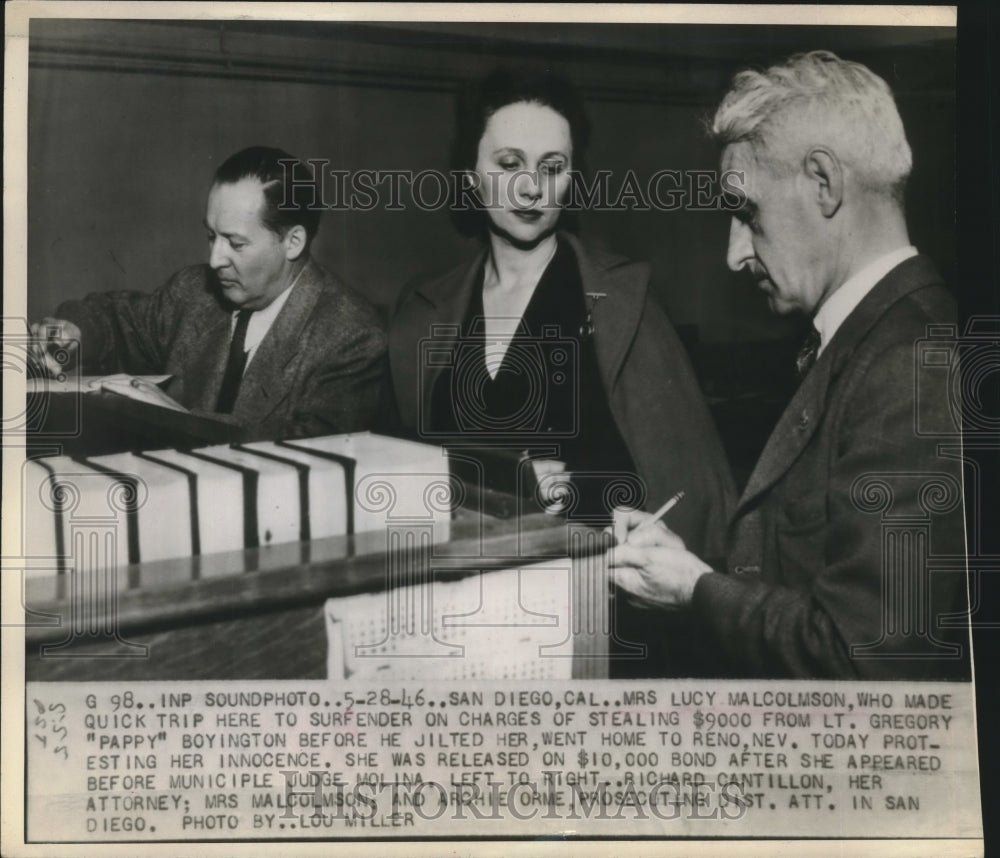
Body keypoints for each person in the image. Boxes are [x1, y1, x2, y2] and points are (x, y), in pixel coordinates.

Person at [611, 51, 969, 679]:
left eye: (747, 213)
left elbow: (865, 657)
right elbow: (808, 576)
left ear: (823, 182)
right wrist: (692, 568)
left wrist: (695, 590)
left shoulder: (910, 364)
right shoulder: (875, 338)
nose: (734, 255)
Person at [388, 68, 736, 676]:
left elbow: (690, 494)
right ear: (469, 174)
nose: (531, 188)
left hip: (594, 623)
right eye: (509, 163)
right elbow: (397, 479)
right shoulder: (424, 309)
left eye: (552, 167)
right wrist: (512, 483)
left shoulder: (622, 299)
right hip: (458, 618)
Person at [29, 146, 387, 441]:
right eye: (212, 236)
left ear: (292, 242)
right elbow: (119, 320)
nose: (215, 260)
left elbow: (316, 450)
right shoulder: (194, 293)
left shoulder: (351, 335)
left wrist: (182, 420)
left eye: (236, 243)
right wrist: (76, 333)